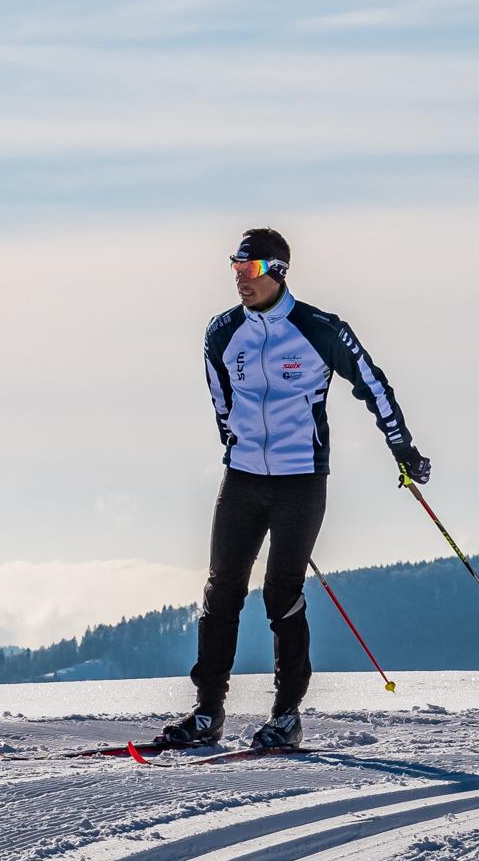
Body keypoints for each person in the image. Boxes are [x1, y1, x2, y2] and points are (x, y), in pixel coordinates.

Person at [159, 228, 429, 752]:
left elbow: (373, 384)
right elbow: (222, 403)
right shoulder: (221, 332)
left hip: (300, 479)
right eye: (235, 268)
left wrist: (403, 448)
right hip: (242, 478)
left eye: (252, 269)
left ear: (279, 272)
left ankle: (286, 716)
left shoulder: (319, 329)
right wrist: (239, 447)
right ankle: (207, 711)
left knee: (281, 592)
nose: (241, 279)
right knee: (222, 590)